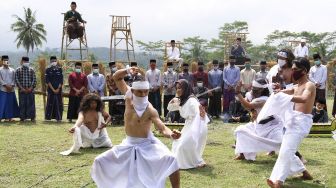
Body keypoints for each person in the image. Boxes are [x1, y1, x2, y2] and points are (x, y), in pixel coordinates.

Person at [91, 67, 181, 188]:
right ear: (133, 90)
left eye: (146, 91)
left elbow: (162, 127)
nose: (143, 94)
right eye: (139, 91)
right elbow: (116, 77)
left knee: (171, 159)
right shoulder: (128, 96)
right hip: (128, 143)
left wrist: (171, 134)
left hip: (147, 144)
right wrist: (128, 70)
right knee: (100, 161)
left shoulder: (150, 110)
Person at [259, 58, 315, 187]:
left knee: (286, 151)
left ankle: (278, 181)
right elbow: (283, 92)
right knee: (286, 149)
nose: (293, 72)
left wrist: (285, 96)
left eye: (295, 69)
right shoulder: (296, 86)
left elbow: (304, 98)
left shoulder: (309, 85)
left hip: (301, 123)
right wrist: (279, 91)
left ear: (304, 71)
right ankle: (305, 173)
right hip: (292, 121)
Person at [233, 78, 283, 161]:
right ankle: (242, 154)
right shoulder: (252, 95)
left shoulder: (265, 99)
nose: (253, 91)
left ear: (261, 90)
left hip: (271, 126)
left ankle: (298, 157)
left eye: (255, 90)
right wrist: (252, 111)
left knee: (281, 142)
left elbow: (248, 105)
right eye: (253, 89)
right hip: (258, 125)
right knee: (240, 131)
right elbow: (246, 105)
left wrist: (238, 93)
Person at [168, 79, 209, 169]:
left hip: (197, 125)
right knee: (177, 144)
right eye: (177, 88)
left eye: (180, 88)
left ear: (185, 89)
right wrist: (173, 100)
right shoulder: (182, 101)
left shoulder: (191, 100)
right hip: (188, 125)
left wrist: (201, 114)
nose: (178, 90)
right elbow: (170, 108)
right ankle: (195, 161)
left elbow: (198, 111)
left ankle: (197, 161)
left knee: (183, 146)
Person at [15, 57, 36, 122]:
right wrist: (22, 88)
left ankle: (32, 117)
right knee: (22, 104)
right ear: (22, 61)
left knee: (31, 104)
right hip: (22, 91)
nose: (26, 63)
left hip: (31, 90)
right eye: (25, 61)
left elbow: (34, 79)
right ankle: (22, 117)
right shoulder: (18, 70)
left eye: (27, 62)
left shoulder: (31, 70)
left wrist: (31, 88)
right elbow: (16, 80)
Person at [0, 55, 19, 122]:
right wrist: (6, 85)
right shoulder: (0, 70)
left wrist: (11, 86)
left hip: (11, 89)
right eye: (4, 60)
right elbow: (0, 80)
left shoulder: (12, 70)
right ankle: (3, 117)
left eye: (7, 59)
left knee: (11, 104)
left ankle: (10, 117)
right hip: (3, 89)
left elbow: (14, 79)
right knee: (3, 104)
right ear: (2, 61)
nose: (6, 61)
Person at [45, 56, 63, 121]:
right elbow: (47, 81)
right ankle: (48, 117)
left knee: (59, 103)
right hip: (50, 89)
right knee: (50, 103)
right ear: (50, 61)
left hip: (58, 90)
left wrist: (58, 89)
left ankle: (58, 117)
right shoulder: (47, 69)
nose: (54, 62)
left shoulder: (60, 69)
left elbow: (61, 80)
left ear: (57, 61)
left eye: (55, 61)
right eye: (52, 61)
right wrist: (53, 89)